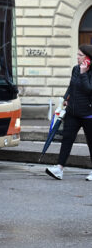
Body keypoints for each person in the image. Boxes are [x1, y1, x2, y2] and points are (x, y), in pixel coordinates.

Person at [45, 44, 92, 180]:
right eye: (77, 54)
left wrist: (84, 73)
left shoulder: (86, 71)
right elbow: (71, 86)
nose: (77, 57)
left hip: (88, 114)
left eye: (80, 55)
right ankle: (59, 168)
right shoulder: (75, 69)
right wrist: (65, 99)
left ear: (88, 58)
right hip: (72, 112)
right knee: (67, 139)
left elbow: (89, 89)